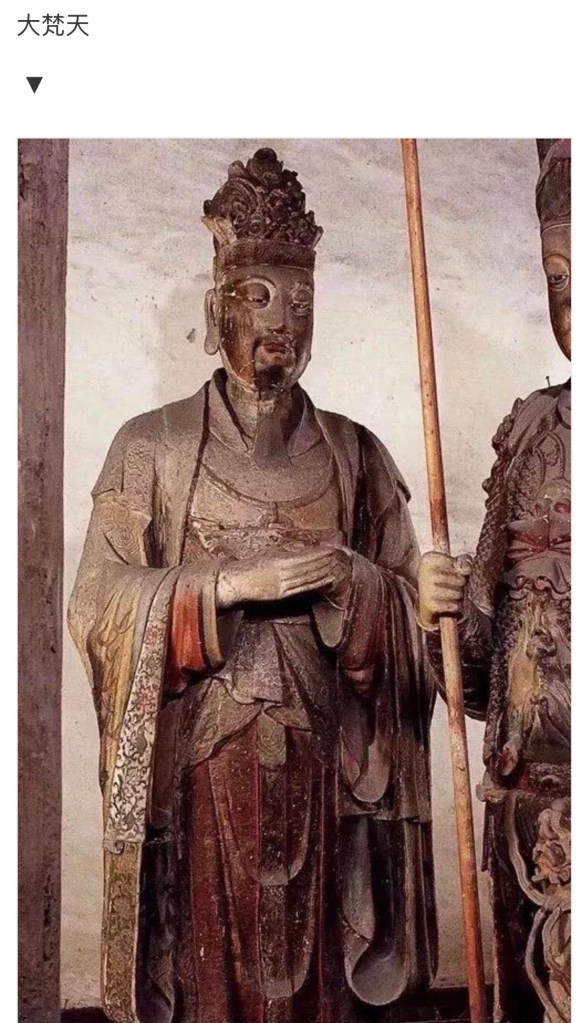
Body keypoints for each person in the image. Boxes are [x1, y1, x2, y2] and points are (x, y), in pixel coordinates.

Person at [69, 147, 438, 1023]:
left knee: (316, 984)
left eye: (300, 301)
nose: (282, 319)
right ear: (216, 309)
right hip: (206, 759)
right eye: (259, 295)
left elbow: (416, 623)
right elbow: (96, 602)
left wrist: (372, 588)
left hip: (326, 764)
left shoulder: (357, 454)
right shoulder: (151, 446)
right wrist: (227, 586)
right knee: (214, 971)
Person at [418, 139, 571, 1023]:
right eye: (560, 280)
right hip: (532, 814)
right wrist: (438, 606)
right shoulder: (530, 434)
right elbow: (472, 668)